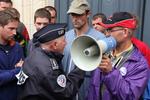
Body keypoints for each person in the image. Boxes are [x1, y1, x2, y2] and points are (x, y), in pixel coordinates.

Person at [87, 12, 149, 100]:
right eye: (106, 30)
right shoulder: (105, 53)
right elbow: (93, 89)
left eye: (110, 30)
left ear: (125, 32)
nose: (107, 34)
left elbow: (129, 96)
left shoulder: (140, 64)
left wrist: (110, 72)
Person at [17, 23, 85, 100]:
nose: (66, 43)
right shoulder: (48, 69)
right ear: (55, 45)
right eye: (64, 41)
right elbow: (67, 92)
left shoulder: (36, 53)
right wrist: (81, 67)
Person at [62, 0, 105, 99]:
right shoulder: (66, 36)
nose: (75, 19)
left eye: (79, 14)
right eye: (73, 15)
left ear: (88, 14)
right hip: (66, 89)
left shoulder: (99, 38)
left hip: (87, 90)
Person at [0, 8, 24, 100]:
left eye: (16, 29)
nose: (14, 33)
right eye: (11, 28)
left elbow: (23, 73)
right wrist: (17, 70)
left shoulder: (17, 47)